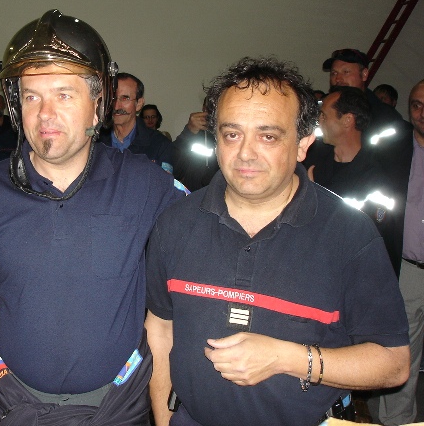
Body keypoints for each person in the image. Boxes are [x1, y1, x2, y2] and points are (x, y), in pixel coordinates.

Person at [145, 57, 409, 426]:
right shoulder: (175, 223)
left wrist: (287, 358)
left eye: (268, 136)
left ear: (303, 144)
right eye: (232, 134)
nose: (245, 153)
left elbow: (393, 363)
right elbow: (160, 328)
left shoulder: (349, 234)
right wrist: (164, 419)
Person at [0, 9, 182, 426]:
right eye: (31, 97)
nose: (45, 113)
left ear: (97, 106)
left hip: (118, 407)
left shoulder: (146, 185)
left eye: (64, 95)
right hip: (12, 402)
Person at [304, 86, 399, 273]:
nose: (319, 121)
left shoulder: (376, 182)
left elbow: (369, 238)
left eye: (324, 116)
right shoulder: (314, 164)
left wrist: (317, 199)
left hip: (345, 272)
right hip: (310, 265)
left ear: (347, 120)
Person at [378, 79, 424, 425]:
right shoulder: (395, 150)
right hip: (409, 270)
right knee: (405, 347)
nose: (422, 113)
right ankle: (399, 419)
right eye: (416, 105)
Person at [98, 72, 175, 172]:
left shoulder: (160, 145)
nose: (116, 106)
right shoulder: (94, 141)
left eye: (125, 98)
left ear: (139, 104)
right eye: (113, 98)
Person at [322, 49, 404, 139]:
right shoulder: (323, 111)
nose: (338, 79)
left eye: (346, 72)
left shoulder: (385, 116)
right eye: (334, 73)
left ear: (364, 74)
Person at [172, 110, 220, 192]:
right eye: (210, 108)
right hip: (194, 195)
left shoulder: (234, 135)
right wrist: (189, 132)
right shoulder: (194, 135)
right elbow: (174, 170)